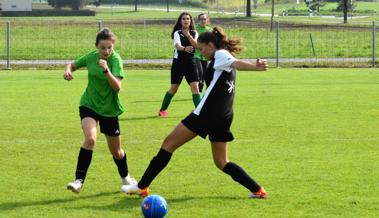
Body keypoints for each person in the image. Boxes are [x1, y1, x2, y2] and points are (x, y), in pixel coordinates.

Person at [122, 26, 269, 198]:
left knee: (168, 144)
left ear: (211, 46)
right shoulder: (222, 58)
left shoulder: (221, 55)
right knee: (222, 162)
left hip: (206, 115)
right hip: (223, 116)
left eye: (201, 49)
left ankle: (141, 186)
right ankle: (258, 190)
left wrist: (254, 67)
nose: (200, 53)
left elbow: (237, 64)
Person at [63, 28, 136, 193]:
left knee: (117, 152)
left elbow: (117, 87)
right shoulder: (91, 57)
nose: (107, 51)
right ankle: (78, 181)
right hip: (89, 104)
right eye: (103, 48)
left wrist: (106, 70)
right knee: (90, 140)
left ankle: (126, 179)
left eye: (110, 47)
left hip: (109, 110)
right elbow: (72, 64)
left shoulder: (116, 60)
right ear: (97, 46)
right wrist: (68, 70)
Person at [158, 12, 201, 117]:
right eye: (183, 19)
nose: (186, 20)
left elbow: (197, 45)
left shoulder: (195, 33)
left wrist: (188, 36)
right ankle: (162, 110)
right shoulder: (177, 33)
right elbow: (177, 46)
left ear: (190, 21)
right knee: (174, 88)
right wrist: (185, 48)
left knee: (195, 87)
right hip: (178, 64)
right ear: (180, 21)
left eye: (188, 19)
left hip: (191, 63)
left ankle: (200, 112)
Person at [194, 13, 212, 93]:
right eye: (201, 19)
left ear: (207, 20)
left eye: (204, 19)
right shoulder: (195, 29)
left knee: (204, 75)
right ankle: (199, 92)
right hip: (196, 55)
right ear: (198, 20)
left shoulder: (210, 30)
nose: (203, 21)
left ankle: (203, 92)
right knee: (200, 74)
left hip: (206, 56)